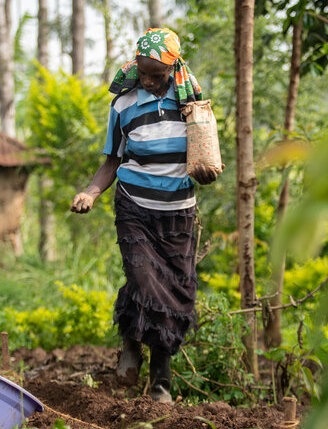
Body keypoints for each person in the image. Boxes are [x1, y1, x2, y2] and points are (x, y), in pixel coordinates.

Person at [70, 27, 220, 404]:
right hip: (134, 206)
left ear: (173, 68)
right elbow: (112, 160)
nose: (151, 82)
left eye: (158, 75)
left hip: (178, 214)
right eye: (144, 74)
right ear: (135, 67)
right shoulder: (122, 106)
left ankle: (159, 380)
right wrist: (90, 193)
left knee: (174, 292)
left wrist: (206, 171)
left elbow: (206, 159)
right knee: (143, 278)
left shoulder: (192, 106)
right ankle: (133, 346)